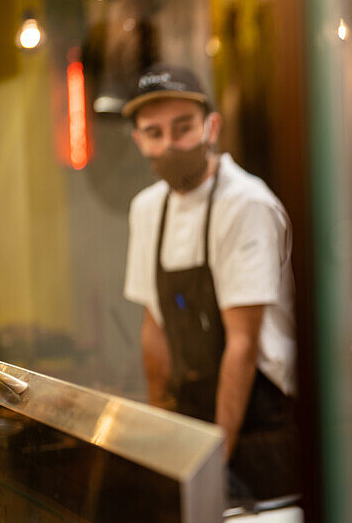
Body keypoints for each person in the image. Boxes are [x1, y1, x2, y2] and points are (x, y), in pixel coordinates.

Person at [122, 64, 298, 500]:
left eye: (183, 129)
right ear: (138, 140)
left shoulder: (245, 205)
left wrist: (212, 465)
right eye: (154, 133)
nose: (169, 145)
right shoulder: (147, 208)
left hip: (260, 422)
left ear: (211, 127)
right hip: (191, 417)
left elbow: (242, 343)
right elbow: (154, 325)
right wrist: (162, 427)